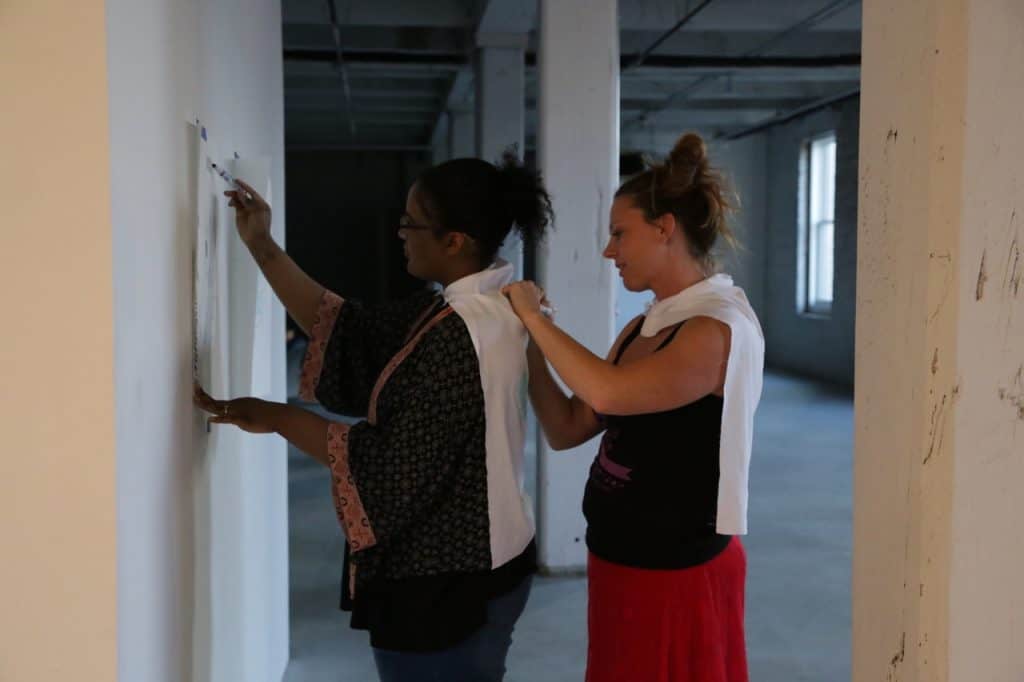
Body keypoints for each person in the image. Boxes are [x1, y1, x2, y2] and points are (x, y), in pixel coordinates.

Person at [194, 150, 553, 681]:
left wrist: (277, 416)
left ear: (454, 241)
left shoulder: (459, 334)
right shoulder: (486, 306)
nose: (400, 233)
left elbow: (386, 468)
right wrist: (261, 245)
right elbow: (349, 329)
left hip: (449, 583)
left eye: (411, 223)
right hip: (494, 564)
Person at [502, 132, 764, 682]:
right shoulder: (645, 326)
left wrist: (536, 320)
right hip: (620, 562)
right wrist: (527, 346)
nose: (609, 250)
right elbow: (569, 426)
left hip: (676, 572)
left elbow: (607, 393)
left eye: (620, 234)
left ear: (665, 229)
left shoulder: (714, 329)